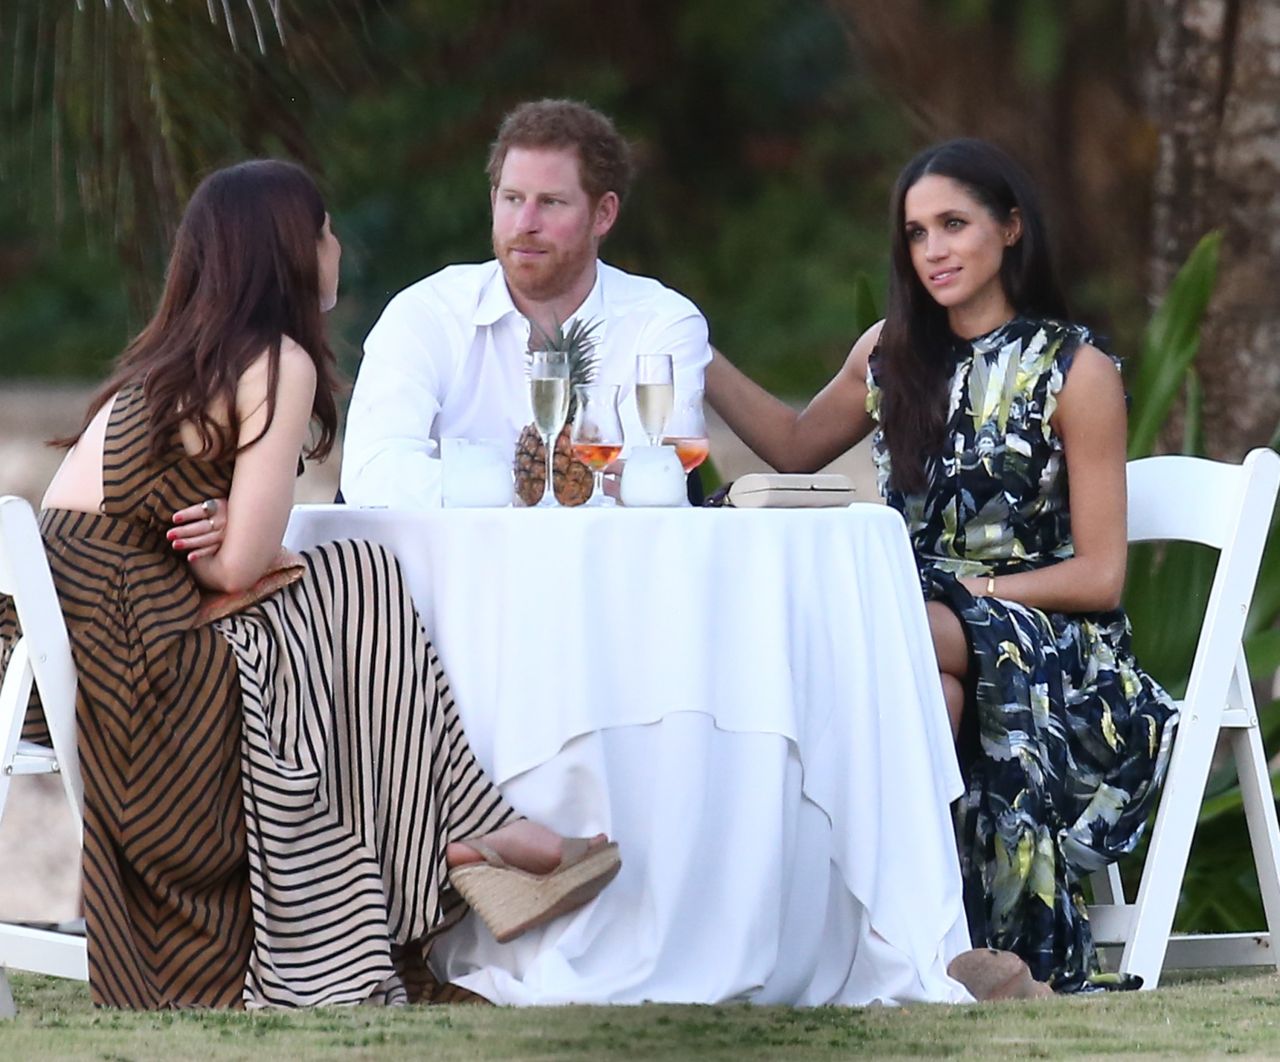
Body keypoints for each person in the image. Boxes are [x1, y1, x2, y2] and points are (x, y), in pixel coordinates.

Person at [0, 160, 619, 1010]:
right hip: (138, 677)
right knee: (358, 580)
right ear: (291, 250)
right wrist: (241, 552)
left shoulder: (180, 362)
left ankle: (471, 833)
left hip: (75, 653)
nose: (336, 249)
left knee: (348, 578)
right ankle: (466, 835)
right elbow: (232, 567)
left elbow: (206, 554)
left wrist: (241, 547)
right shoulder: (276, 362)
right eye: (325, 233)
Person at [704, 138, 1178, 993]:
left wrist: (972, 594)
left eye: (954, 224)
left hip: (1057, 651)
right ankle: (926, 946)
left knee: (885, 641)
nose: (933, 250)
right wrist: (692, 350)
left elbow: (1100, 576)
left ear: (1011, 227)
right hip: (921, 632)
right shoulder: (892, 354)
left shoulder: (1075, 370)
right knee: (935, 689)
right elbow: (791, 445)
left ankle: (829, 917)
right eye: (916, 233)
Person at [340, 98, 710, 508]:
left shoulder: (661, 321)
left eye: (550, 202)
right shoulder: (427, 312)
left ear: (603, 214)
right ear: (493, 200)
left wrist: (473, 486)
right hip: (454, 553)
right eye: (513, 199)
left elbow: (652, 484)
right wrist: (522, 490)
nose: (524, 224)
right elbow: (371, 472)